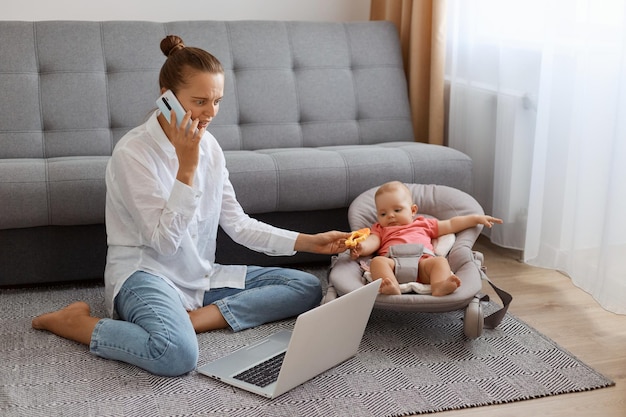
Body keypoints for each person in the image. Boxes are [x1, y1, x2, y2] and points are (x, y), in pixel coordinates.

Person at [32, 35, 350, 377]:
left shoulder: (209, 146)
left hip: (198, 274)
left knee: (304, 287)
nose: (211, 113)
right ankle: (74, 323)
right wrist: (186, 167)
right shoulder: (133, 153)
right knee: (176, 355)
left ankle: (192, 319)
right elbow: (164, 244)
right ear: (166, 96)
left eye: (217, 101)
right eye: (200, 101)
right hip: (146, 275)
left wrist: (308, 241)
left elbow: (238, 223)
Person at [349, 181, 502, 296]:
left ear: (413, 210)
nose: (390, 215)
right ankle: (391, 286)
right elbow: (373, 242)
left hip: (423, 264)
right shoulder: (380, 229)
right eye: (383, 214)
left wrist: (475, 219)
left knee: (440, 261)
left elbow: (451, 224)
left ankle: (439, 286)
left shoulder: (424, 224)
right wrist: (361, 247)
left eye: (397, 210)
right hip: (393, 264)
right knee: (377, 262)